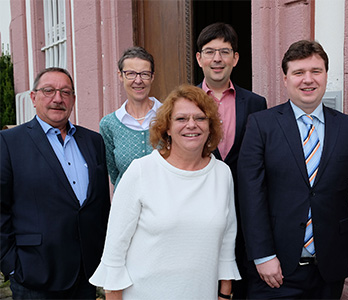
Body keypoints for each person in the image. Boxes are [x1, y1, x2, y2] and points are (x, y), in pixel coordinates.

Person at [238, 40, 348, 299]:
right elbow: (250, 196)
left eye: (316, 71)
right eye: (299, 72)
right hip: (275, 269)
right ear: (285, 79)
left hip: (331, 269)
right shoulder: (261, 125)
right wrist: (262, 255)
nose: (308, 80)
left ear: (326, 75)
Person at [89, 84, 241, 300]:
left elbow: (227, 241)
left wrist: (224, 295)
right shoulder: (141, 171)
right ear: (167, 127)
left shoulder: (221, 173)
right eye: (181, 119)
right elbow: (115, 251)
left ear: (210, 126)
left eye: (200, 118)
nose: (191, 125)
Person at [0, 67, 111, 299]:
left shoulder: (93, 141)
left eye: (65, 92)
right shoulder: (8, 143)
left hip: (86, 273)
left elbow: (100, 206)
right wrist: (11, 265)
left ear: (73, 99)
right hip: (35, 274)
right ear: (33, 97)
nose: (58, 99)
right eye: (49, 90)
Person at [196, 22, 267, 299]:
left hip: (245, 209)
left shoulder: (256, 103)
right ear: (199, 58)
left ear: (235, 58)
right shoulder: (183, 102)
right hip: (200, 208)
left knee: (243, 278)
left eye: (224, 52)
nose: (217, 59)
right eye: (210, 52)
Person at [100, 46, 162, 187]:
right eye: (131, 74)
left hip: (166, 204)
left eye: (144, 74)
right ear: (120, 76)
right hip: (127, 206)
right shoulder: (109, 125)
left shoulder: (170, 116)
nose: (138, 80)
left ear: (152, 77)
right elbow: (114, 174)